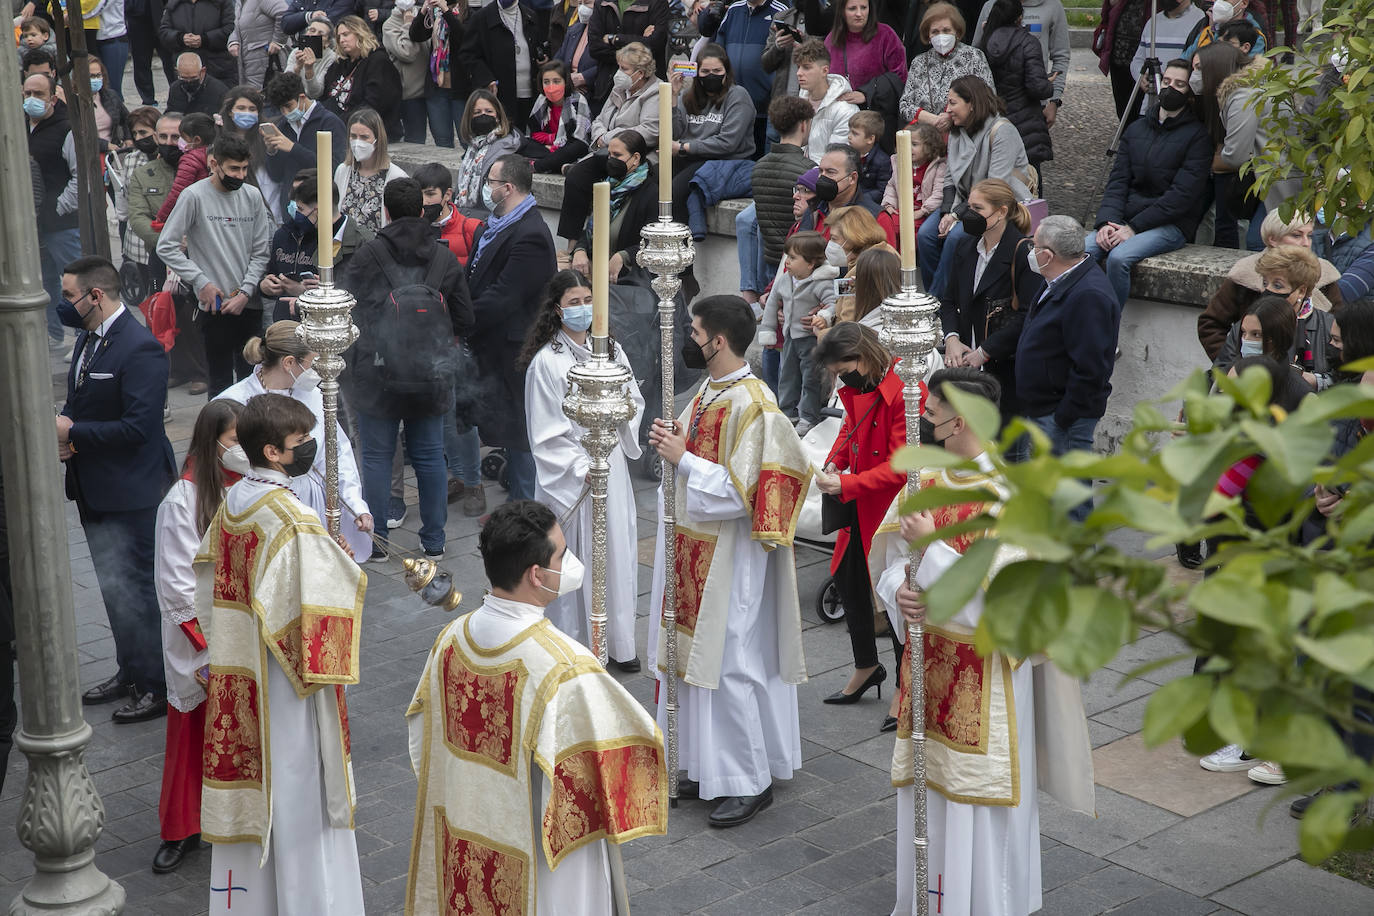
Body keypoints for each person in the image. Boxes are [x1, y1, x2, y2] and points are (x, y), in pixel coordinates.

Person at [880, 366, 1094, 916]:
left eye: (930, 413)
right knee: (931, 793)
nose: (923, 421)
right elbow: (892, 565)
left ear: (958, 423)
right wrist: (899, 596)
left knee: (976, 801)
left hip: (989, 678)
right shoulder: (923, 481)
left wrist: (932, 552)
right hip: (930, 667)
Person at [404, 500, 667, 913]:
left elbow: (424, 740)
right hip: (543, 857)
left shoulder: (451, 641)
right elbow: (622, 757)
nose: (569, 562)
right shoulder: (563, 666)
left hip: (466, 825)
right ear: (537, 575)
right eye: (562, 554)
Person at [194, 393, 365, 914]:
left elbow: (207, 573)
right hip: (287, 681)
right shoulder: (289, 517)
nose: (310, 447)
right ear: (272, 451)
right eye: (301, 442)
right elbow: (314, 610)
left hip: (243, 663)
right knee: (297, 783)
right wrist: (339, 563)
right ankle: (308, 900)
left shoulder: (237, 502)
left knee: (258, 777)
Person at [647, 295, 811, 827]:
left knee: (730, 662)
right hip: (694, 547)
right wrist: (675, 444)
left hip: (731, 555)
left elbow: (751, 491)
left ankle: (748, 779)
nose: (689, 340)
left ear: (717, 341)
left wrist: (684, 458)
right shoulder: (710, 391)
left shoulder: (754, 404)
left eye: (694, 332)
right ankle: (702, 764)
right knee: (693, 663)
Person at [58, 256, 177, 724]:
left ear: (96, 296)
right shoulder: (89, 338)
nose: (65, 303)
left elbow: (139, 427)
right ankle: (129, 669)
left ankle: (157, 686)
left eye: (69, 295)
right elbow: (79, 399)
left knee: (140, 591)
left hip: (133, 493)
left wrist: (74, 434)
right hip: (95, 488)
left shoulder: (139, 347)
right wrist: (70, 431)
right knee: (113, 586)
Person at [341, 178, 473, 560]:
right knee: (431, 456)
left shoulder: (367, 255)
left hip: (376, 376)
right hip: (430, 375)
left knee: (378, 457)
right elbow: (466, 317)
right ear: (421, 209)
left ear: (385, 211)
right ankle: (433, 541)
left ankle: (377, 540)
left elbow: (348, 309)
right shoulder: (443, 258)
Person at [519, 272, 646, 667]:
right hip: (574, 478)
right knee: (574, 562)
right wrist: (581, 467)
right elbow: (546, 432)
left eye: (588, 299)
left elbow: (634, 399)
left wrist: (616, 427)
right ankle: (575, 647)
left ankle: (618, 644)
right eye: (574, 302)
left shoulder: (609, 351)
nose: (583, 308)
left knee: (616, 555)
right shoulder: (546, 364)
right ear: (557, 310)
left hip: (612, 465)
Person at [152, 398, 244, 874]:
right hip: (202, 642)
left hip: (245, 635)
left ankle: (235, 815)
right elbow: (177, 587)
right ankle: (181, 828)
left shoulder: (245, 489)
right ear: (214, 443)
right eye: (234, 440)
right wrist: (213, 645)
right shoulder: (181, 501)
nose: (242, 449)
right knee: (192, 734)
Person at [811, 321, 911, 724]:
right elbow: (848, 429)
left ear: (863, 356)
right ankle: (867, 667)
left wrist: (847, 480)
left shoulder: (906, 388)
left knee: (895, 599)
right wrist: (836, 459)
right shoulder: (863, 381)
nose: (841, 377)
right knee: (849, 581)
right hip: (859, 500)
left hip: (890, 510)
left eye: (843, 368)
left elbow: (903, 466)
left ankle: (906, 687)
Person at [217, 321, 375, 558]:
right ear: (289, 362)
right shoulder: (234, 403)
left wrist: (354, 504)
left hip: (316, 504)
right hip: (265, 508)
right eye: (312, 363)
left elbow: (337, 454)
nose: (318, 371)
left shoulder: (313, 396)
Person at [467, 155, 557, 503]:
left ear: (507, 187)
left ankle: (526, 509)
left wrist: (463, 319)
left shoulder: (529, 234)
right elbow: (476, 276)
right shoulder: (497, 223)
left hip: (516, 347)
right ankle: (516, 504)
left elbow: (505, 295)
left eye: (490, 182)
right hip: (496, 345)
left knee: (521, 433)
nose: (486, 188)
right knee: (508, 429)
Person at [157, 133, 275, 398]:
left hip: (248, 303)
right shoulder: (193, 196)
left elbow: (260, 252)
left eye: (245, 168)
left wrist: (245, 292)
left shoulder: (252, 196)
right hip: (214, 304)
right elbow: (166, 245)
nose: (240, 175)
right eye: (234, 168)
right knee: (219, 381)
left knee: (253, 379)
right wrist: (202, 282)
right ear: (214, 164)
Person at [1086, 57, 1211, 307]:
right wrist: (1105, 223)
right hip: (1125, 219)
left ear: (1190, 94)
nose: (1170, 88)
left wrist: (1133, 228)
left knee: (1119, 258)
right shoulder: (1136, 129)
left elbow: (1181, 197)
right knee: (1082, 251)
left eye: (1179, 84)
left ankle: (1110, 330)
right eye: (1166, 81)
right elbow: (1117, 182)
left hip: (1170, 225)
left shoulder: (1198, 137)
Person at [1015, 216, 1122, 504]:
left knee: (1069, 499)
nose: (1031, 251)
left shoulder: (1088, 295)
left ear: (1047, 255)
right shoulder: (1059, 279)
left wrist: (1063, 416)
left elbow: (1091, 368)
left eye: (1034, 246)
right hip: (1047, 408)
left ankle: (1077, 550)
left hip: (1061, 416)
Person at [941, 178, 1044, 450]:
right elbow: (949, 300)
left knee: (1007, 455)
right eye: (969, 206)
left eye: (978, 208)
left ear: (1001, 212)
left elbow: (1027, 315)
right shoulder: (965, 247)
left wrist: (984, 351)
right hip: (968, 367)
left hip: (1005, 370)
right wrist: (951, 338)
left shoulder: (1023, 253)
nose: (970, 214)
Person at [919, 74, 1033, 299]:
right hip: (961, 203)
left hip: (993, 206)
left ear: (972, 104)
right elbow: (950, 177)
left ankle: (937, 301)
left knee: (955, 238)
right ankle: (941, 295)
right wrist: (946, 213)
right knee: (926, 235)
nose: (947, 109)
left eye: (953, 103)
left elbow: (995, 189)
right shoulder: (956, 130)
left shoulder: (1002, 131)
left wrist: (956, 216)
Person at [1197, 209, 1343, 361]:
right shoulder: (1245, 273)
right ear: (1273, 239)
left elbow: (1340, 331)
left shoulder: (1325, 274)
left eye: (1309, 235)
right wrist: (1232, 364)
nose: (1306, 243)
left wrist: (1323, 375)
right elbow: (1211, 324)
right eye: (1296, 235)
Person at [1214, 245, 1337, 390]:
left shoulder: (1330, 327)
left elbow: (1347, 381)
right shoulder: (1247, 324)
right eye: (1265, 283)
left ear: (1301, 291)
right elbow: (1220, 371)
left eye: (1277, 285)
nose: (1268, 291)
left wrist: (1316, 381)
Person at [759, 230, 840, 434]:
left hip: (810, 340)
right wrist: (768, 330)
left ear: (811, 263)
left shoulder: (820, 282)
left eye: (793, 258)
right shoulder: (785, 280)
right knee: (787, 375)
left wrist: (823, 315)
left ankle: (808, 416)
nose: (787, 262)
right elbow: (771, 305)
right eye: (787, 257)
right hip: (790, 338)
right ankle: (786, 412)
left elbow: (833, 303)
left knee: (810, 378)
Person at [738, 95, 815, 309]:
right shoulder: (809, 170)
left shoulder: (759, 167)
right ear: (803, 124)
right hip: (798, 265)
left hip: (769, 260)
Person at [263, 170, 372, 321]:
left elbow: (365, 294)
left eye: (301, 210)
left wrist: (316, 293)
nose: (296, 216)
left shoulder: (362, 242)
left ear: (318, 211)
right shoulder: (306, 232)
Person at [667, 43, 756, 224]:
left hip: (724, 160)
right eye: (705, 71)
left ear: (726, 72)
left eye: (717, 70)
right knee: (653, 181)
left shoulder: (738, 95)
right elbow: (675, 133)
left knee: (675, 190)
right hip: (689, 157)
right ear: (697, 72)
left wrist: (684, 147)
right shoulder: (686, 96)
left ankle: (682, 244)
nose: (711, 76)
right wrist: (673, 98)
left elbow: (727, 143)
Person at [24, 72, 81, 350]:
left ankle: (83, 335)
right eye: (28, 94)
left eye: (39, 94)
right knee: (45, 280)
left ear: (53, 98)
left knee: (73, 279)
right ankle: (55, 334)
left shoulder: (66, 128)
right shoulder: (21, 125)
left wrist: (58, 208)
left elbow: (79, 177)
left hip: (61, 223)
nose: (32, 100)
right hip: (32, 223)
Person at [978, 0, 1055, 182]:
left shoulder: (985, 41)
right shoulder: (1028, 42)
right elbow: (1038, 87)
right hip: (1025, 123)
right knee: (1029, 181)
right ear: (1020, 17)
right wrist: (1049, 83)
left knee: (994, 178)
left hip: (992, 121)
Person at [568, 130, 657, 284]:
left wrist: (624, 256)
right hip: (595, 266)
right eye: (609, 155)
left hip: (627, 278)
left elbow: (655, 243)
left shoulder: (651, 194)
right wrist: (580, 249)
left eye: (617, 155)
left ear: (635, 158)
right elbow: (591, 230)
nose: (610, 160)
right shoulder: (609, 185)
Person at [261, 71, 349, 221]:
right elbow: (276, 176)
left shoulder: (329, 122)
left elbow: (334, 169)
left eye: (288, 106)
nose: (285, 112)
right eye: (281, 108)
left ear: (302, 97)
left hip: (320, 211)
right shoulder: (282, 126)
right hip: (290, 212)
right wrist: (272, 152)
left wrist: (293, 149)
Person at [972, 0, 1069, 135]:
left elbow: (1061, 56)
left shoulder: (1053, 6)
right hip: (992, 106)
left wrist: (1054, 101)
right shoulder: (991, 5)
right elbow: (975, 55)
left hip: (1033, 104)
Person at [898, 3, 994, 132]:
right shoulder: (919, 62)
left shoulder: (974, 57)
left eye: (946, 30)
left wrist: (951, 117)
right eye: (935, 32)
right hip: (927, 140)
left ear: (957, 32)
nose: (941, 36)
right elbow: (905, 106)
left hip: (965, 137)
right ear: (928, 36)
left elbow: (988, 99)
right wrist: (932, 119)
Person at [715, 0, 789, 154]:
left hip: (766, 107)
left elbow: (786, 59)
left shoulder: (780, 11)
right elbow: (718, 52)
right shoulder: (734, 10)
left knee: (762, 160)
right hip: (734, 106)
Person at [458, 0, 544, 126]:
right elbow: (467, 54)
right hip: (500, 95)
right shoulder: (482, 17)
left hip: (530, 93)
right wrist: (486, 78)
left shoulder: (530, 15)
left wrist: (542, 59)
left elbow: (536, 46)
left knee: (532, 138)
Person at [319, 15, 403, 138]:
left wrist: (335, 123)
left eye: (346, 34)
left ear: (359, 33)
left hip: (371, 133)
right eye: (338, 37)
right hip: (337, 128)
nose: (341, 40)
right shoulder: (339, 63)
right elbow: (325, 95)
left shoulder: (378, 61)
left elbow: (373, 106)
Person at [406, 0, 471, 149]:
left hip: (460, 88)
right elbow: (415, 35)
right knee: (442, 141)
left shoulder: (468, 14)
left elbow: (463, 37)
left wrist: (445, 10)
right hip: (437, 87)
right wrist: (423, 10)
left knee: (467, 139)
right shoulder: (435, 15)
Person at [335, 107, 408, 235]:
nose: (358, 142)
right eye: (353, 136)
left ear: (378, 140)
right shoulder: (343, 171)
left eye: (364, 137)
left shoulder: (397, 177)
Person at [877, 121, 946, 252]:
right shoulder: (900, 163)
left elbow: (939, 193)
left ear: (930, 146)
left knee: (908, 232)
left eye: (914, 144)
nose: (908, 148)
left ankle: (906, 260)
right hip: (901, 211)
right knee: (884, 224)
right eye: (905, 143)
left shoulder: (938, 166)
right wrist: (889, 205)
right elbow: (891, 186)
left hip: (923, 213)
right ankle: (890, 259)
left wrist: (922, 211)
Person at [585, 0, 670, 105]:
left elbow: (654, 45)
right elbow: (595, 48)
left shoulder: (657, 3)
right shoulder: (602, 2)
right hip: (606, 89)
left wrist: (615, 39)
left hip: (646, 90)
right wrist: (640, 42)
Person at [825, 0, 906, 109]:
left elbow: (899, 77)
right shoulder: (831, 39)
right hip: (838, 111)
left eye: (863, 8)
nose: (859, 14)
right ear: (842, 11)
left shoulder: (886, 35)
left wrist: (867, 93)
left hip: (875, 113)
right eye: (852, 8)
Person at [453, 90, 522, 214]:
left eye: (489, 111)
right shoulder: (472, 147)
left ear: (498, 115)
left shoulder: (509, 144)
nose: (483, 115)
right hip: (467, 214)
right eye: (477, 112)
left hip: (492, 215)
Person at [520, 59, 593, 173]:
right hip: (546, 148)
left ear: (565, 82)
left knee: (577, 147)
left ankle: (538, 166)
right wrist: (551, 140)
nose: (551, 86)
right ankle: (556, 164)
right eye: (546, 82)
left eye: (556, 81)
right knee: (520, 143)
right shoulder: (542, 99)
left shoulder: (577, 100)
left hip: (568, 148)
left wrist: (554, 143)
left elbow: (579, 138)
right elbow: (533, 133)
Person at [794, 38, 859, 163]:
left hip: (825, 177)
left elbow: (836, 162)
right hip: (797, 173)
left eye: (806, 67)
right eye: (798, 67)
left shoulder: (846, 110)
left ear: (824, 70)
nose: (799, 73)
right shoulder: (799, 104)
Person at [154, 111, 217, 225]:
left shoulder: (189, 160)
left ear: (197, 140)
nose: (179, 142)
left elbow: (178, 192)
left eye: (181, 137)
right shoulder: (216, 154)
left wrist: (161, 216)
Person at [381, 0, 431, 143]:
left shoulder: (424, 15)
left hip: (431, 88)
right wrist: (408, 24)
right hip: (411, 94)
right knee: (415, 140)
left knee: (443, 139)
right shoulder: (389, 25)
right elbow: (407, 53)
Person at [1130, 0, 1205, 91]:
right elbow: (1138, 60)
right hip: (1152, 96)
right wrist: (1140, 75)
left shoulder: (1200, 21)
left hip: (1182, 96)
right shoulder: (1152, 22)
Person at [159, 0, 237, 85]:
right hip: (185, 71)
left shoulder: (222, 2)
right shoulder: (174, 3)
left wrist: (205, 39)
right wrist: (180, 38)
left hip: (218, 68)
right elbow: (164, 32)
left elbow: (231, 29)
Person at [128, 0, 179, 105]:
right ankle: (148, 99)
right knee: (141, 61)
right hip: (137, 17)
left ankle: (177, 94)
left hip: (163, 15)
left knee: (170, 60)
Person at [228, 0, 288, 87]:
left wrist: (278, 41)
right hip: (250, 65)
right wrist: (233, 41)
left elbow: (284, 14)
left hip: (269, 62)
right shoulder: (240, 3)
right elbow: (237, 26)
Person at [555, 0, 599, 99]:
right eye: (580, 3)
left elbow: (610, 64)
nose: (582, 8)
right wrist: (568, 81)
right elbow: (558, 60)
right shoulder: (573, 30)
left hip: (592, 94)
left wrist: (584, 78)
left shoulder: (606, 33)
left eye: (587, 3)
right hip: (569, 92)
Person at [86, 57, 133, 149]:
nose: (96, 79)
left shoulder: (110, 95)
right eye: (91, 76)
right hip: (89, 151)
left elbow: (128, 119)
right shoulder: (73, 101)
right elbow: (80, 134)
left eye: (98, 75)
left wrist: (128, 138)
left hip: (114, 150)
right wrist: (106, 145)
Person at [286, 18, 339, 98]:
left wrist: (309, 70)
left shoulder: (332, 58)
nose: (314, 35)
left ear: (327, 43)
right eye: (312, 30)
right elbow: (285, 86)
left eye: (321, 34)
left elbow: (315, 94)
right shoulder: (296, 52)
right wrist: (297, 69)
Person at [847, 110, 891, 207]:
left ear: (870, 139)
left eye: (855, 133)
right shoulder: (848, 155)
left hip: (868, 204)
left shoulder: (883, 161)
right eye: (849, 131)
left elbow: (882, 190)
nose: (849, 136)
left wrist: (859, 199)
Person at [165, 51, 230, 116]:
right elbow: (170, 113)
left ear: (203, 71)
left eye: (193, 78)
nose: (188, 81)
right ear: (177, 72)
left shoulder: (219, 91)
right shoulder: (175, 88)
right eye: (184, 78)